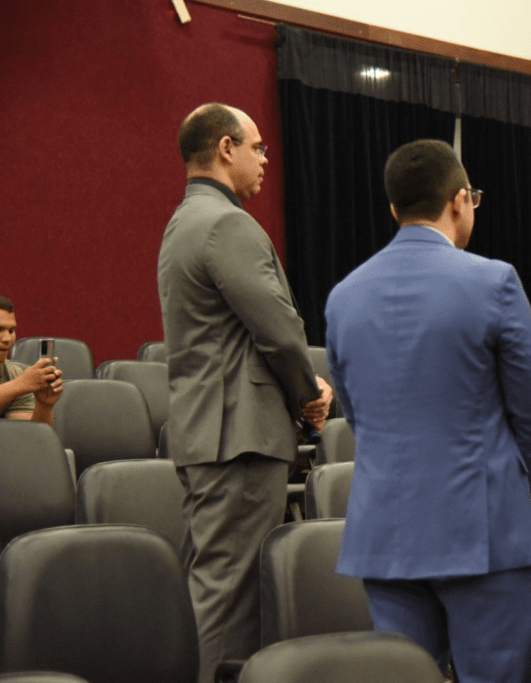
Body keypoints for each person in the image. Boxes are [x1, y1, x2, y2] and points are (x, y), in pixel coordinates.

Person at [324, 139, 531, 683]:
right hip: (481, 530)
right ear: (459, 200)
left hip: (385, 534)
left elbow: (356, 415)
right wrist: (503, 487)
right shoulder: (494, 281)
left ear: (394, 209)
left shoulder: (342, 296)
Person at [158, 103, 332, 683]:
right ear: (226, 148)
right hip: (239, 437)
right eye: (257, 148)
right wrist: (309, 395)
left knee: (216, 591)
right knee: (232, 604)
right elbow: (279, 331)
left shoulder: (185, 220)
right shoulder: (227, 223)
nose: (264, 160)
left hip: (212, 433)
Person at [0, 295, 63, 425]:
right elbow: (20, 384)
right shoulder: (21, 382)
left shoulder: (16, 375)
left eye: (11, 331)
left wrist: (44, 405)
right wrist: (19, 385)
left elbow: (28, 434)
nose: (7, 339)